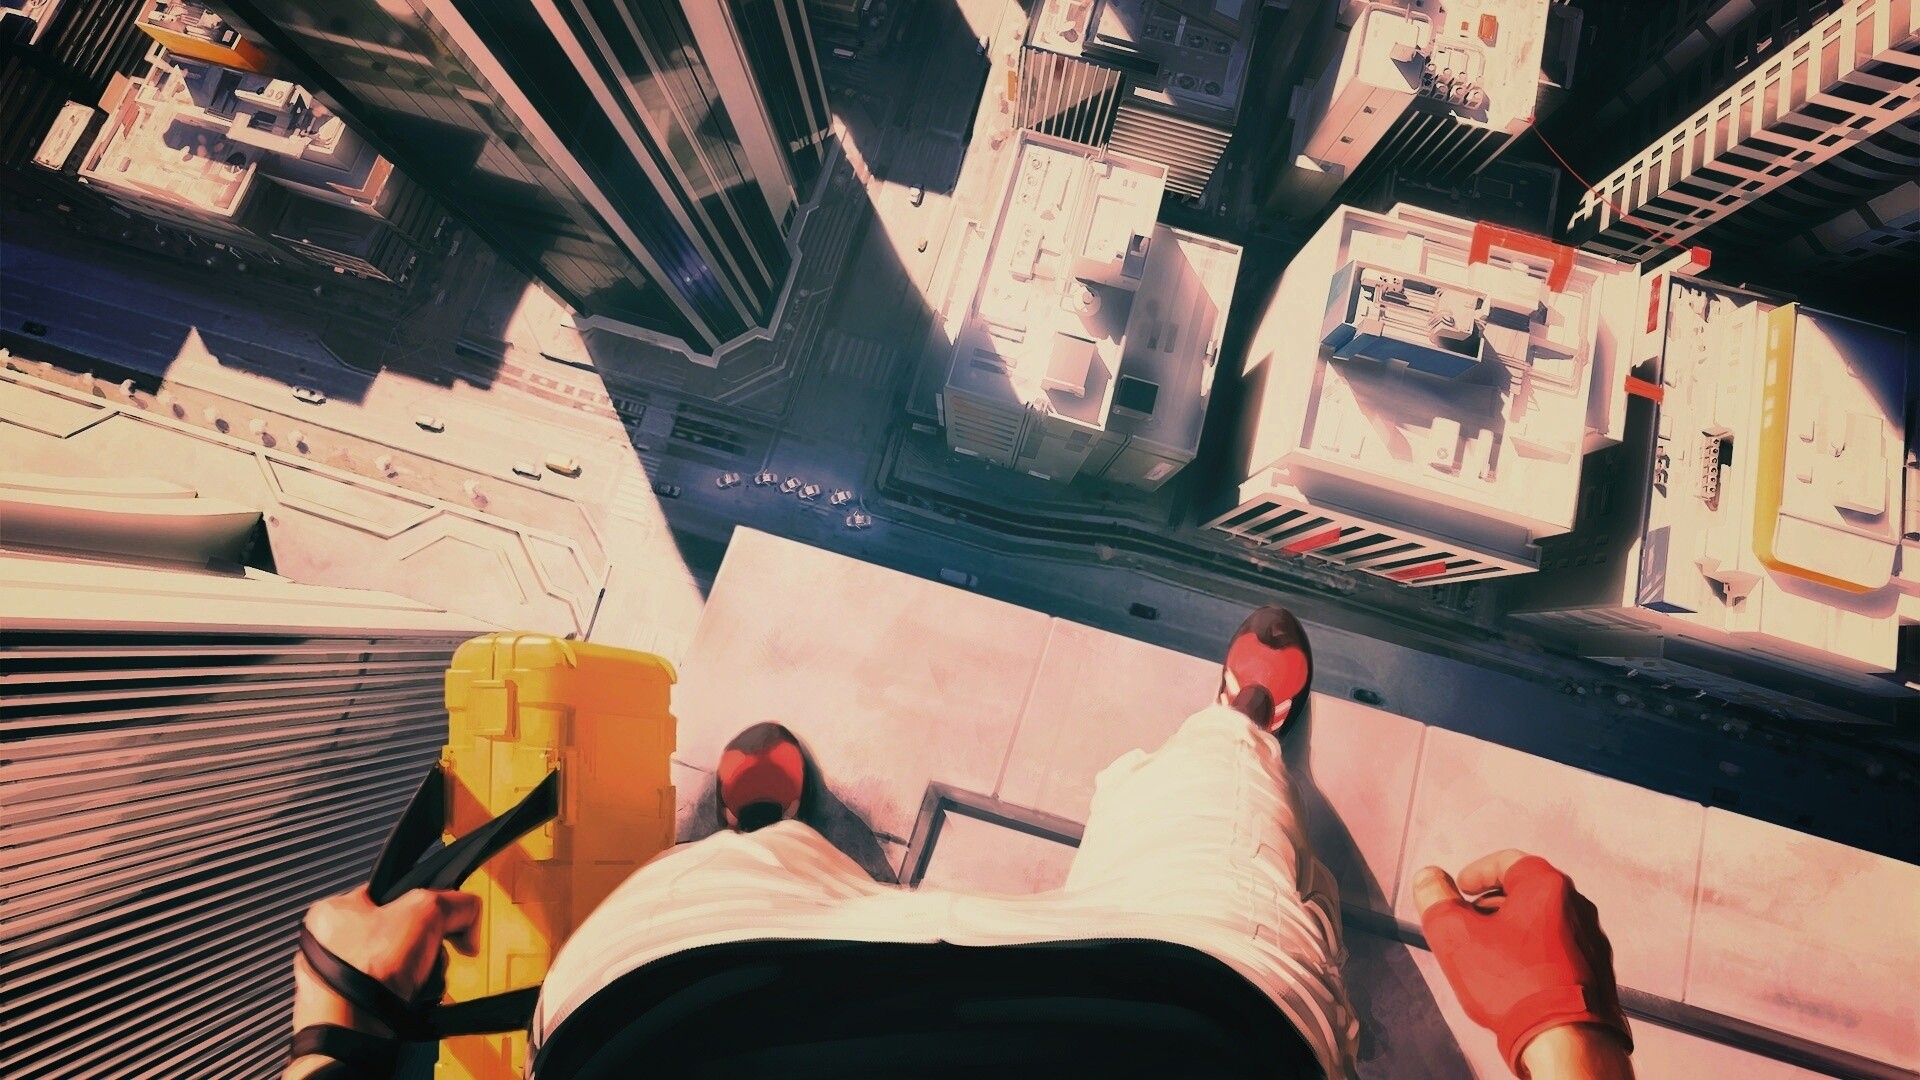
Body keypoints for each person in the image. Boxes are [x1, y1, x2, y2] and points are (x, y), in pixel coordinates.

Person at [286, 607, 1634, 1079]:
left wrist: (343, 1035)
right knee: (1211, 808)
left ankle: (770, 838)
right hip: (1159, 1024)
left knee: (738, 880)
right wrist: (1566, 1037)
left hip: (690, 1018)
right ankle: (1238, 725)